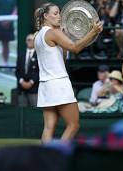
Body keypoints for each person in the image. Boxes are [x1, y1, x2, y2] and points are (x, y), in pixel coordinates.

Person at [34, 2, 103, 143]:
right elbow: (75, 48)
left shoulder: (38, 36)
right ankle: (58, 156)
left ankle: (46, 160)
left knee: (48, 127)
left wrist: (64, 37)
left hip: (46, 86)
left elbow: (62, 58)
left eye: (59, 13)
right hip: (59, 84)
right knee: (73, 125)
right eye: (55, 13)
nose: (59, 16)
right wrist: (93, 32)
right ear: (46, 16)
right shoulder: (53, 32)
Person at [16, 34, 39, 106]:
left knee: (35, 111)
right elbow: (17, 71)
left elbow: (40, 71)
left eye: (32, 40)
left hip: (34, 89)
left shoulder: (39, 55)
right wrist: (22, 81)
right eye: (28, 40)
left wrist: (31, 82)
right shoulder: (21, 55)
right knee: (22, 112)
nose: (30, 41)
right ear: (26, 41)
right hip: (22, 89)